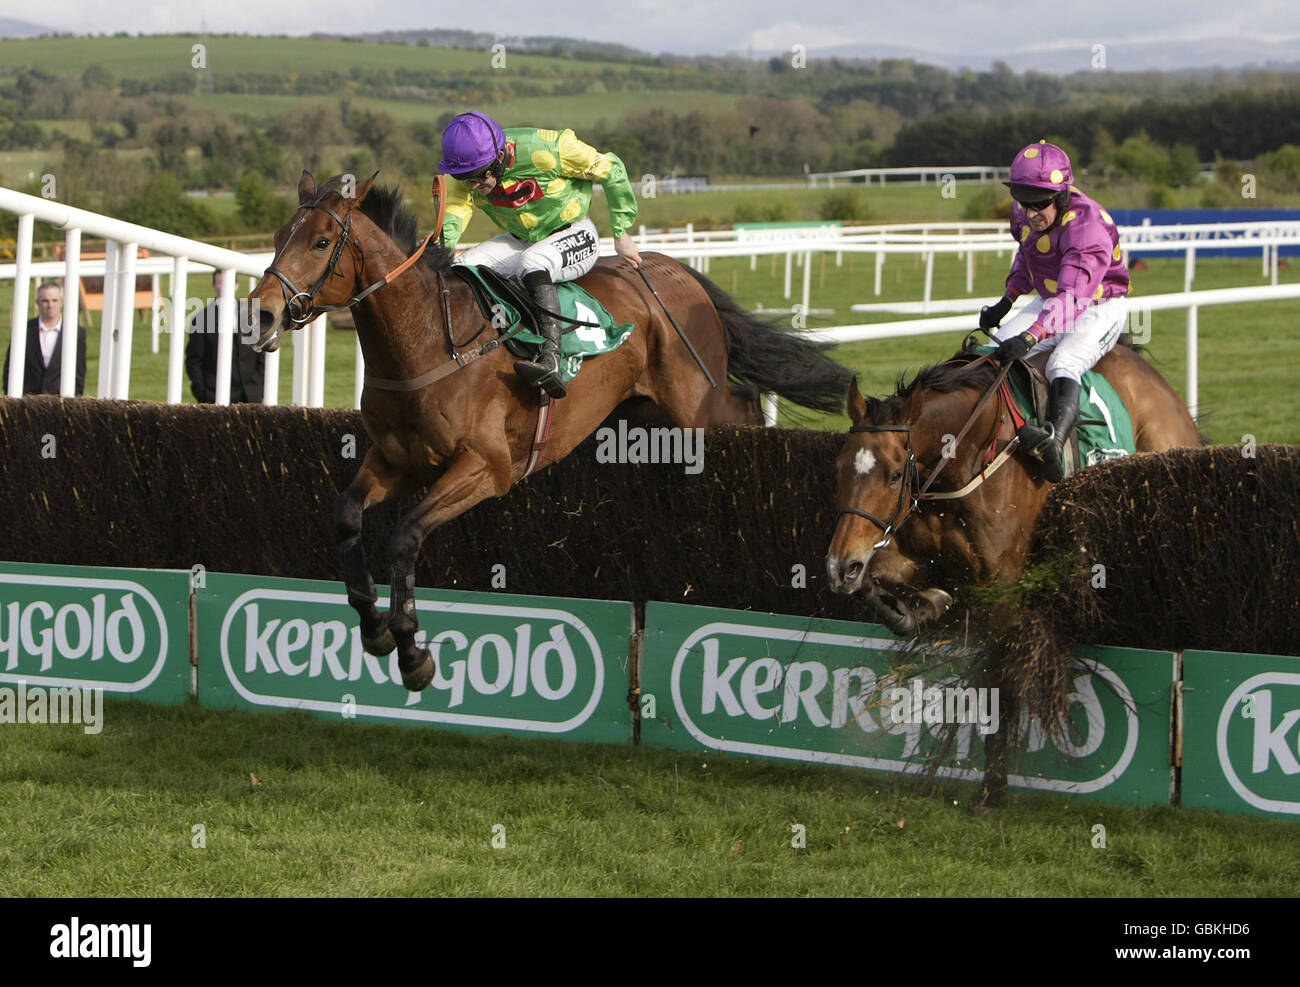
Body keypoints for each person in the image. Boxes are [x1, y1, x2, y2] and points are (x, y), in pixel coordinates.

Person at [438, 111, 642, 399]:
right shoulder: (468, 170)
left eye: (476, 178)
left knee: (532, 263)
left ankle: (551, 359)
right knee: (462, 266)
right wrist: (442, 246)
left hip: (574, 233)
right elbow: (457, 209)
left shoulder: (551, 149)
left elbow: (612, 169)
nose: (472, 186)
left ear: (498, 157)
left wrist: (621, 232)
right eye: (464, 179)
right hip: (521, 239)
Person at [979, 140, 1131, 483]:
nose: (1030, 213)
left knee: (1065, 360)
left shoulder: (1087, 227)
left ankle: (1053, 445)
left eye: (1039, 205)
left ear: (1061, 196)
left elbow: (1074, 298)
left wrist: (1032, 335)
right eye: (1024, 203)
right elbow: (1026, 258)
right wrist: (1007, 300)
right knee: (993, 353)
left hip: (1098, 303)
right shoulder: (1024, 213)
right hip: (1052, 298)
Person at [185, 270, 265, 403]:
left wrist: (257, 384)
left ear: (237, 285)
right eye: (220, 282)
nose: (225, 286)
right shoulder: (201, 319)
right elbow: (194, 360)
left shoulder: (251, 314)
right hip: (214, 395)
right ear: (214, 286)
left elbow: (261, 352)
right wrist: (203, 392)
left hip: (249, 395)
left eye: (229, 282)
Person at [2, 281, 87, 395]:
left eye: (54, 300)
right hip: (28, 402)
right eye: (45, 301)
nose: (50, 305)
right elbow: (10, 366)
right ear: (37, 303)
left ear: (61, 302)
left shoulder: (75, 332)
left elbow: (79, 371)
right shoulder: (24, 330)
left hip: (60, 403)